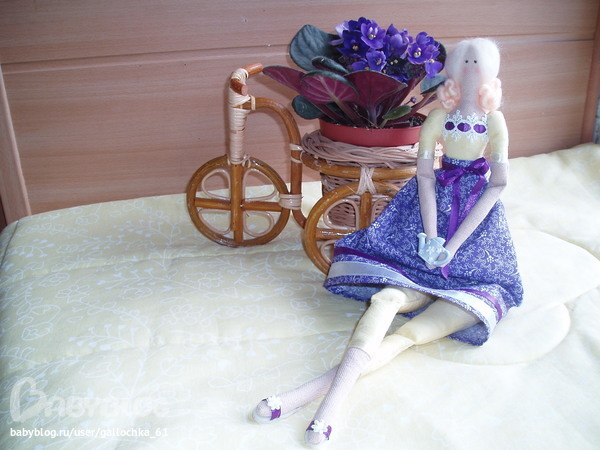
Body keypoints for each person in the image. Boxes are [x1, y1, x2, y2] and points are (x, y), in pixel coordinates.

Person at [252, 37, 524, 446]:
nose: (470, 67)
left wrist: (454, 245)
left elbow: (498, 184)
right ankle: (323, 402)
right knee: (386, 299)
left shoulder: (494, 121)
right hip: (425, 219)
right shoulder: (437, 117)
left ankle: (314, 398)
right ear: (452, 69)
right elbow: (425, 175)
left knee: (411, 335)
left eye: (478, 63)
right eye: (464, 61)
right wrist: (430, 236)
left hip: (476, 240)